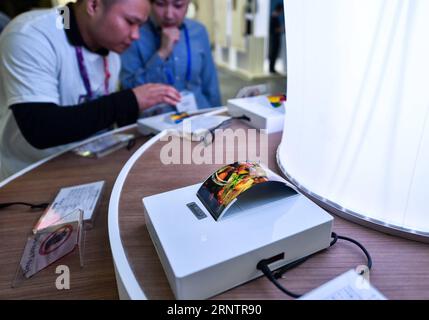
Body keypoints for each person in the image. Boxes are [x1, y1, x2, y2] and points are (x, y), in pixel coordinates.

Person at [0, 0, 181, 180]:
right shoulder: (31, 33)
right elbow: (41, 128)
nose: (136, 35)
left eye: (140, 25)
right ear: (93, 5)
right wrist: (130, 100)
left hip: (84, 165)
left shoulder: (110, 52)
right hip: (27, 173)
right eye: (130, 22)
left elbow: (97, 115)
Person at [120, 0, 221, 117]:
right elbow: (129, 91)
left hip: (199, 115)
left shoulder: (198, 31)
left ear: (188, 4)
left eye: (178, 6)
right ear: (150, 4)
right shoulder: (135, 34)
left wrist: (218, 120)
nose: (169, 15)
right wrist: (162, 53)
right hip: (154, 122)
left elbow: (210, 84)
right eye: (160, 4)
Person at [268, 4, 284, 74]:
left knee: (274, 53)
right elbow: (274, 29)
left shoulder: (274, 17)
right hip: (274, 38)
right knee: (273, 53)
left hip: (275, 38)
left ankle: (272, 68)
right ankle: (271, 68)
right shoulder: (273, 18)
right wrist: (281, 29)